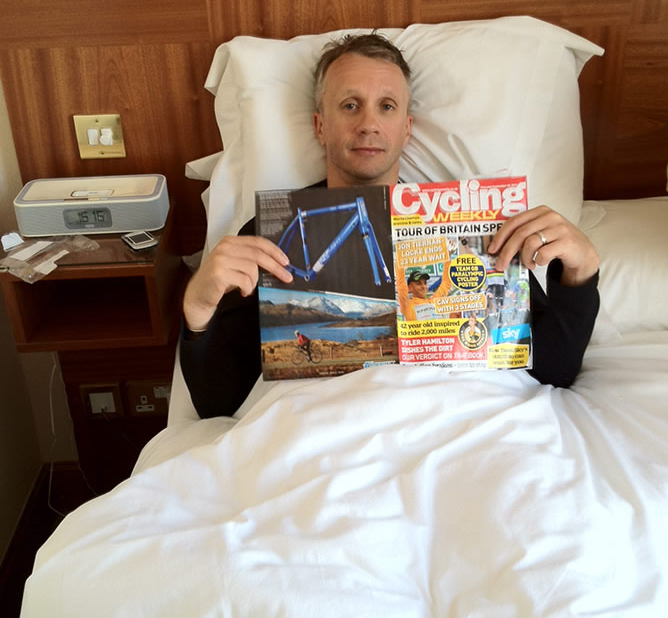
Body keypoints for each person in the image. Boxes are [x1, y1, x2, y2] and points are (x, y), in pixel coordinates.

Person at [181, 33, 600, 418]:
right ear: (320, 126)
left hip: (460, 419)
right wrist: (197, 310)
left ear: (406, 129)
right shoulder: (270, 232)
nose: (368, 123)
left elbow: (554, 369)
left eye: (386, 106)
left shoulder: (471, 219)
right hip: (325, 426)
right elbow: (217, 402)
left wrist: (581, 272)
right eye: (350, 105)